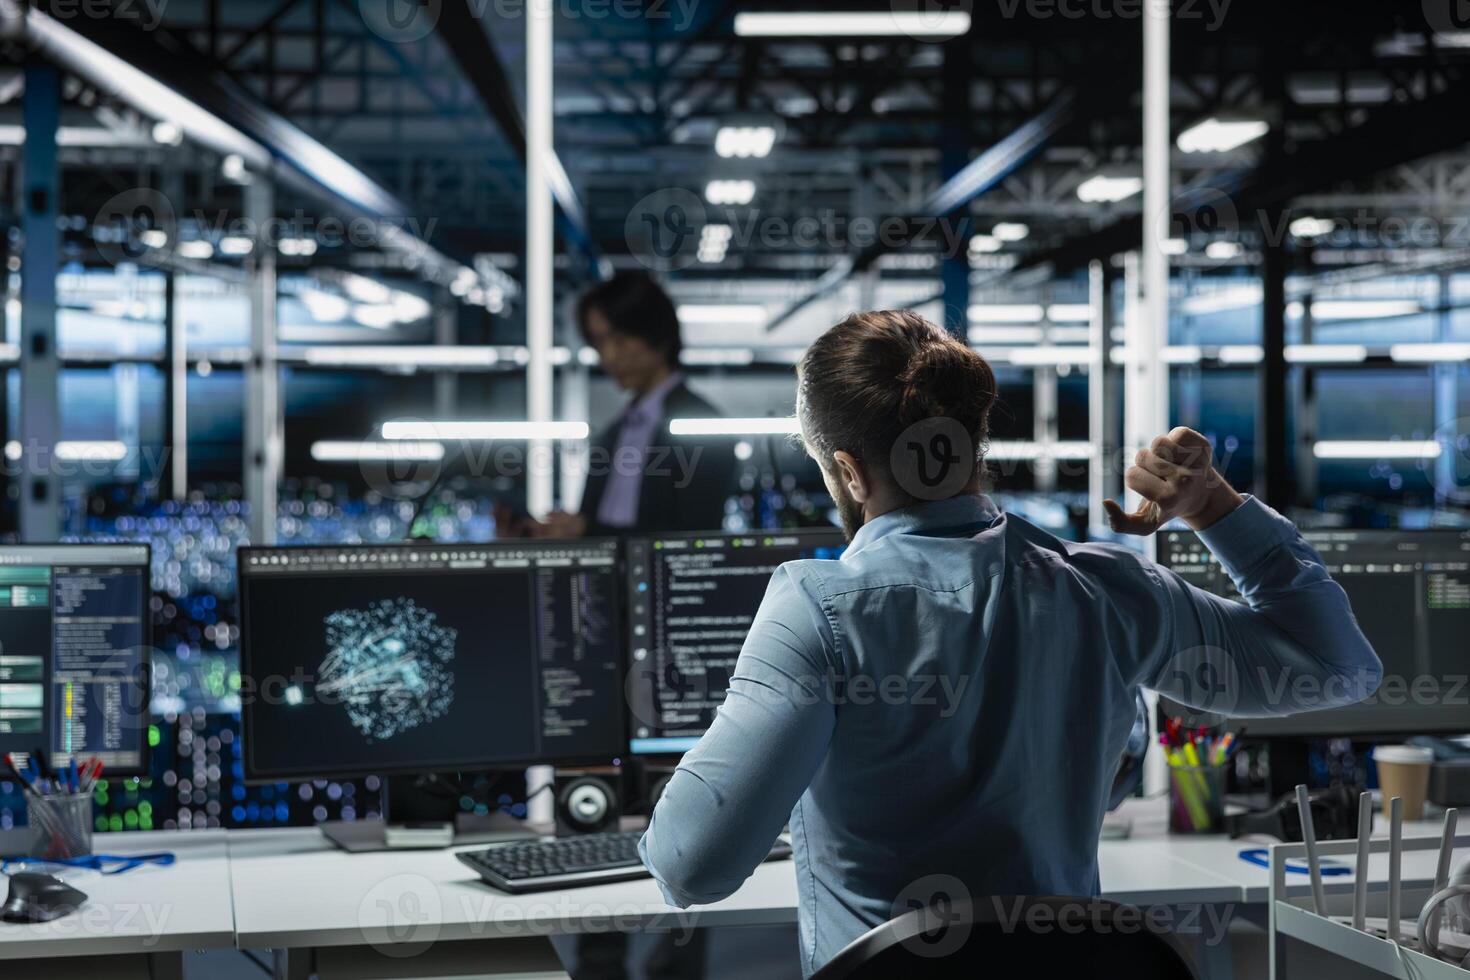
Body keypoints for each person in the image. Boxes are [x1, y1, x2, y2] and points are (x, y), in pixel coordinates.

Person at [638, 309, 1383, 977]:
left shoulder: (817, 607)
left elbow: (691, 868)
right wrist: (1216, 508)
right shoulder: (1111, 591)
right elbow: (1334, 667)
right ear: (975, 445)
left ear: (848, 471)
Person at [530, 270, 735, 539]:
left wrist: (586, 530)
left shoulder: (702, 425)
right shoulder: (614, 432)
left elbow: (696, 538)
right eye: (600, 342)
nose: (608, 356)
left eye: (620, 339)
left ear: (656, 335)